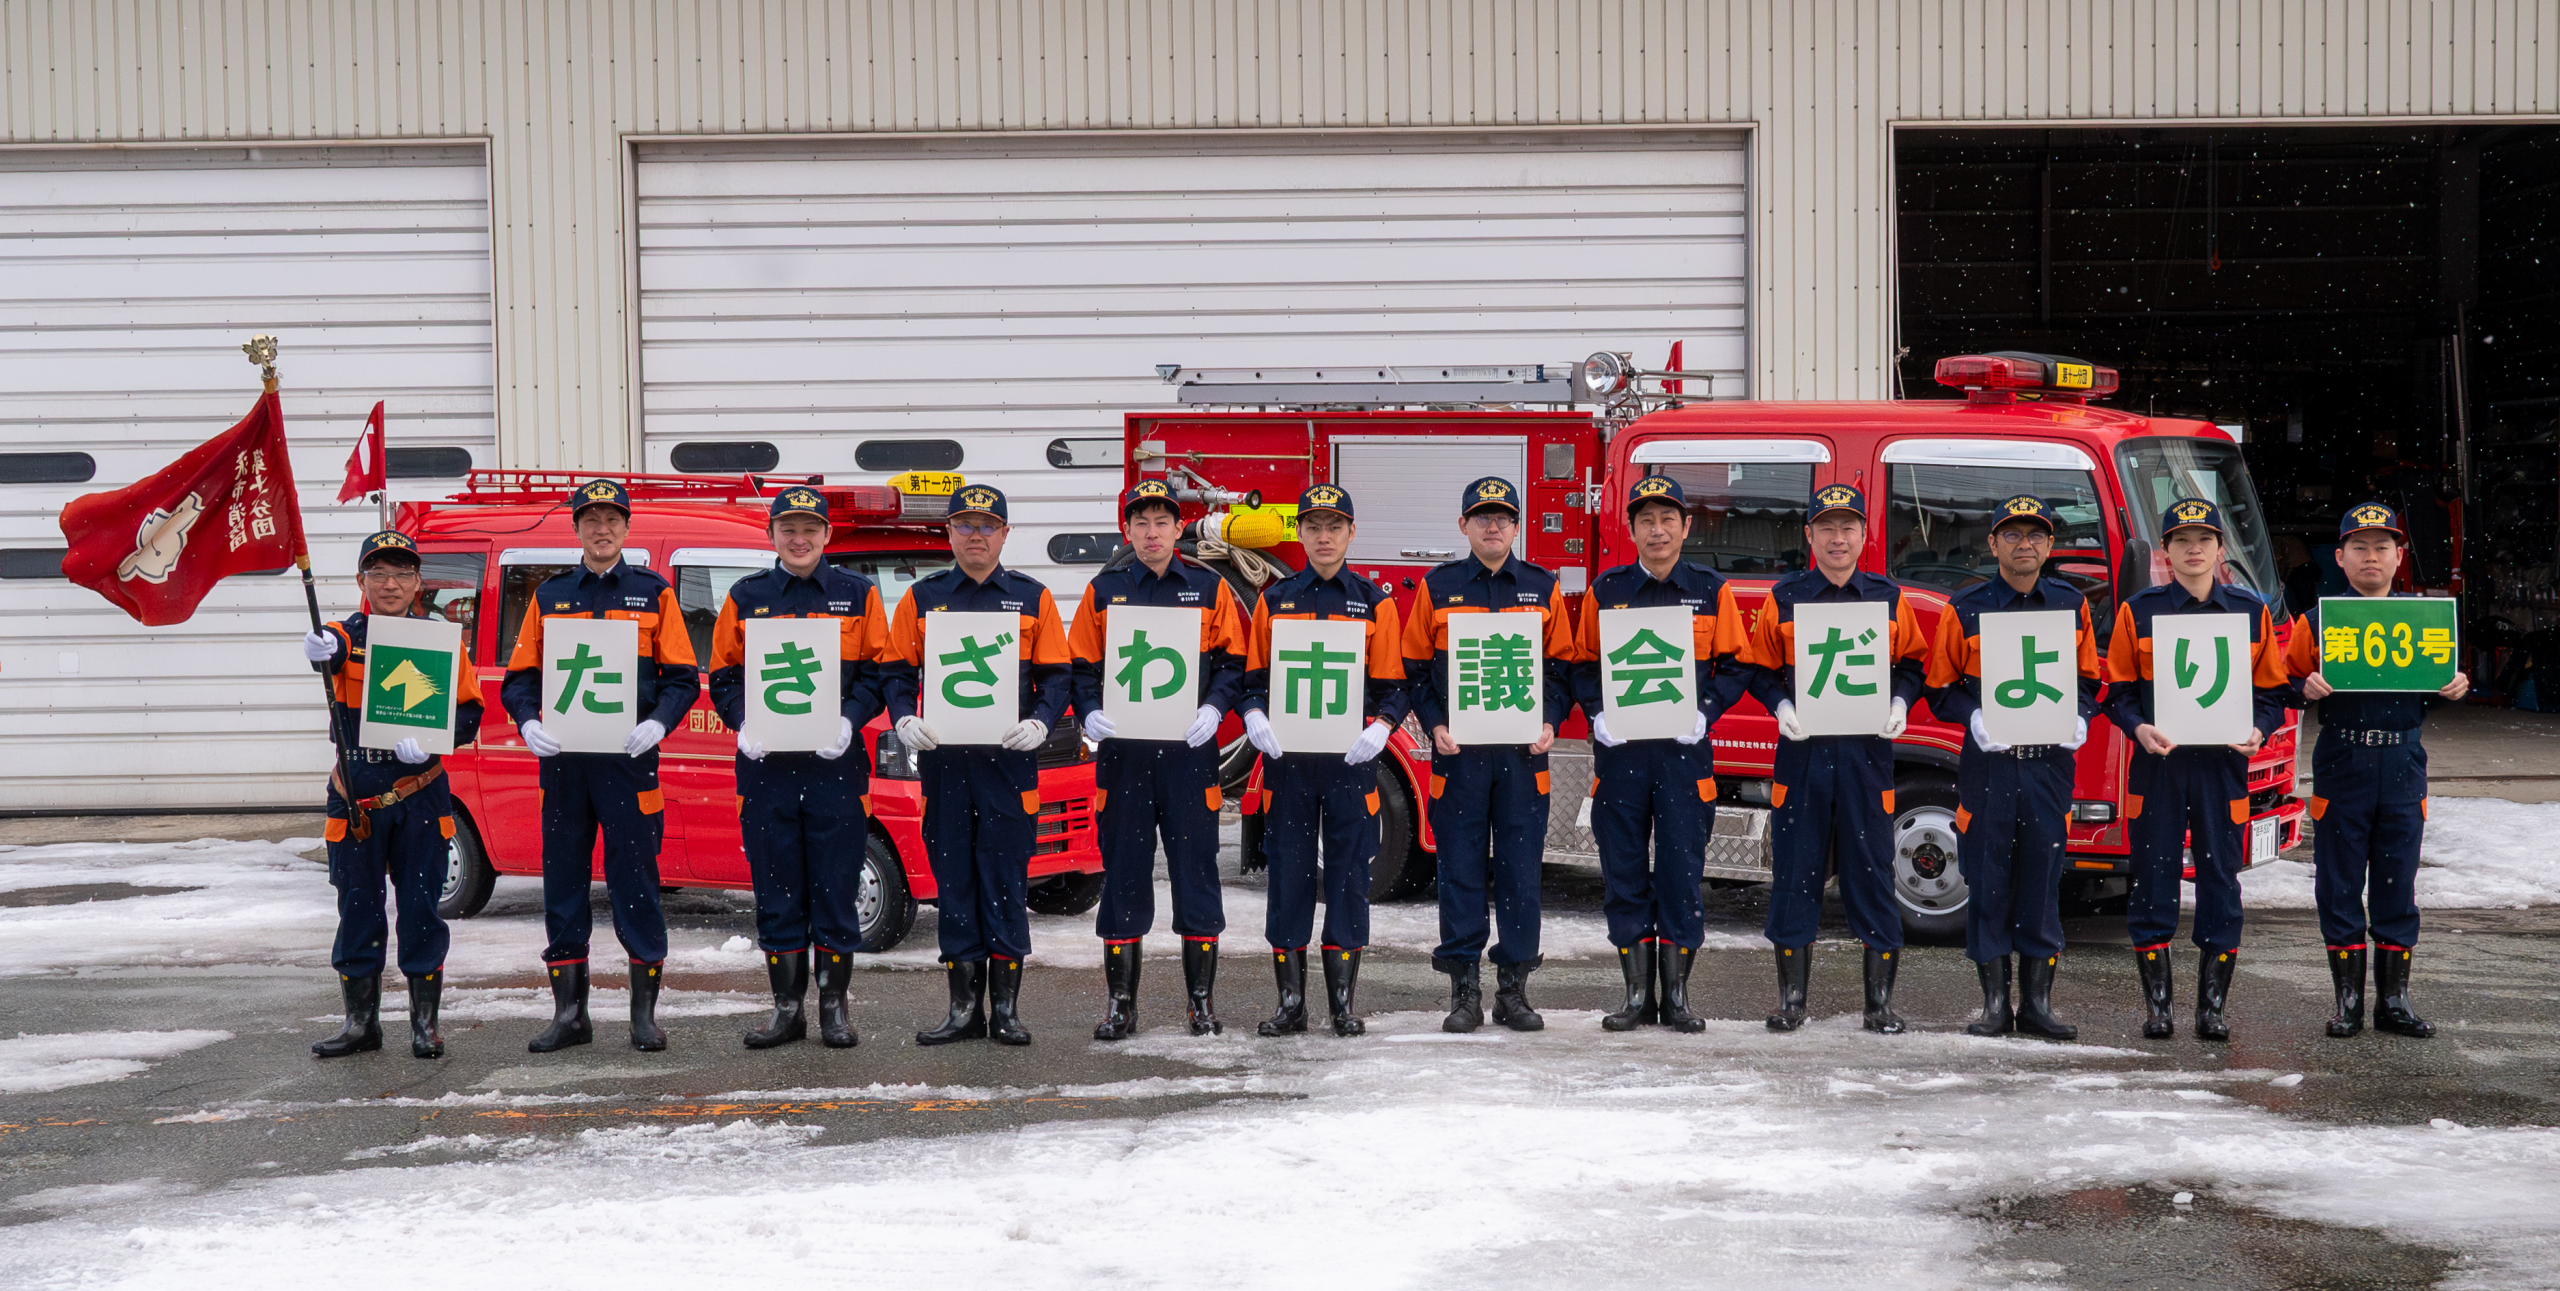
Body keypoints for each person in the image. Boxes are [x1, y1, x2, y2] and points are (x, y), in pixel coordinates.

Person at [502, 479, 700, 1053]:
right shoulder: (550, 595)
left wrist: (659, 722)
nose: (602, 529)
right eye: (591, 519)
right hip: (564, 766)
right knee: (563, 883)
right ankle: (571, 1016)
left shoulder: (653, 593)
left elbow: (682, 678)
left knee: (635, 881)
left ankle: (644, 1016)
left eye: (613, 519)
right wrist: (527, 722)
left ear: (627, 527)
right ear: (576, 528)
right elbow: (520, 679)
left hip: (629, 764)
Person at [880, 484, 1071, 1046]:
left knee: (1005, 881)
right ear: (949, 533)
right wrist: (902, 715)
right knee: (956, 882)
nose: (976, 536)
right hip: (945, 765)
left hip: (1009, 767)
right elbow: (894, 670)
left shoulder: (1033, 598)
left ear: (1005, 534)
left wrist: (1041, 721)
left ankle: (1006, 1010)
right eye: (964, 525)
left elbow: (1058, 675)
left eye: (987, 526)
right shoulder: (922, 598)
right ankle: (964, 1009)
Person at [706, 487, 890, 1050]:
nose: (799, 538)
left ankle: (834, 1009)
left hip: (835, 768)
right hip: (768, 772)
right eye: (788, 528)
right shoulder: (746, 596)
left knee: (835, 888)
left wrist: (850, 720)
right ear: (772, 535)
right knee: (777, 889)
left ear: (828, 534)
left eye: (810, 528)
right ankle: (787, 1010)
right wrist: (742, 722)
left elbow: (879, 672)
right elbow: (723, 676)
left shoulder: (858, 594)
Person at [1742, 483, 1930, 1034]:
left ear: (1865, 535)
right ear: (1809, 535)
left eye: (1848, 527)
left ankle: (1879, 1003)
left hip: (1867, 757)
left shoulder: (1888, 599)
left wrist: (1901, 701)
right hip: (1802, 756)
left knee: (1871, 871)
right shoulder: (1785, 598)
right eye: (1826, 527)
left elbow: (1914, 664)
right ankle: (1791, 1000)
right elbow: (1758, 668)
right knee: (1795, 873)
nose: (1838, 537)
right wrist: (1779, 705)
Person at [2101, 498, 2290, 1042]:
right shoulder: (2139, 612)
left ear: (2220, 548)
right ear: (2165, 550)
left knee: (2221, 883)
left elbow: (2272, 692)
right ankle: (2158, 1008)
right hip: (2158, 767)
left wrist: (2258, 729)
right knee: (2152, 880)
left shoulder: (2250, 612)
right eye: (2181, 540)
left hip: (2221, 769)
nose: (2193, 549)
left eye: (2204, 539)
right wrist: (2138, 727)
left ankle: (2212, 1009)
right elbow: (2116, 692)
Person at [1070, 479, 1250, 1039]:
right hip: (1123, 757)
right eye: (1141, 523)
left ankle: (1201, 1002)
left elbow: (1235, 663)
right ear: (1127, 530)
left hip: (1188, 758)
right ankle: (1121, 1004)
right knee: (1124, 873)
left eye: (1162, 522)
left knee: (1197, 873)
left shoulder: (1209, 587)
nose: (1152, 533)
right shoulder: (1103, 591)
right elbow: (1078, 666)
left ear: (1179, 528)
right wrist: (1089, 711)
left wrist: (1216, 707)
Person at [1566, 475, 1746, 1032]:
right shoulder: (1606, 590)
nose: (1658, 529)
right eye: (1646, 519)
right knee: (1623, 875)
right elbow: (1580, 663)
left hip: (1683, 759)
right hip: (1621, 759)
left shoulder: (1711, 591)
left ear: (1686, 527)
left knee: (1681, 875)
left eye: (1668, 519)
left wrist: (1706, 712)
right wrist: (1597, 714)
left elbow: (1737, 665)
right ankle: (1637, 996)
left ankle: (1679, 997)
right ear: (1631, 529)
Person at [2282, 503, 2469, 1039]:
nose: (2371, 556)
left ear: (2398, 557)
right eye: (2359, 547)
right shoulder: (2316, 621)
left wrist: (2454, 687)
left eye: (2382, 547)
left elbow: (2431, 689)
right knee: (2339, 882)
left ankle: (2393, 1000)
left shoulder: (2425, 620)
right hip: (2343, 759)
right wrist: (2302, 688)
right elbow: (2279, 685)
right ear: (2340, 558)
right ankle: (2348, 1001)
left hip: (2403, 762)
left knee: (2397, 880)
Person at [1400, 476, 1577, 1033]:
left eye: (1503, 516)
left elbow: (1562, 669)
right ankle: (1464, 992)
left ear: (1517, 526)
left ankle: (1513, 991)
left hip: (1524, 758)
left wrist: (1550, 720)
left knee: (1521, 874)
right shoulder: (1438, 588)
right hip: (1460, 758)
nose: (1493, 525)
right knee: (1460, 870)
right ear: (1463, 525)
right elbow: (1413, 670)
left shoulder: (1542, 587)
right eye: (1482, 516)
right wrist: (1435, 724)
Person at [301, 530, 486, 1059]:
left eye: (402, 573)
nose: (390, 584)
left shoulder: (439, 642)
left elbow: (470, 713)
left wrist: (434, 741)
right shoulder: (347, 634)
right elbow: (330, 650)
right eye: (378, 573)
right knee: (358, 907)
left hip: (420, 792)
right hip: (356, 794)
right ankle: (361, 1024)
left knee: (421, 908)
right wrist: (320, 647)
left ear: (418, 582)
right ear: (361, 581)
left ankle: (425, 1025)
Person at [1923, 495, 2102, 1040]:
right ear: (1992, 544)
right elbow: (1939, 689)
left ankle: (2038, 1006)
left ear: (2049, 546)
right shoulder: (1965, 608)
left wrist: (2080, 716)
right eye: (2013, 534)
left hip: (2048, 768)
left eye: (2036, 535)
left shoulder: (2071, 605)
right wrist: (1973, 717)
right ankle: (1995, 1005)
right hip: (1989, 769)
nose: (2025, 544)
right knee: (1988, 881)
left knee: (2042, 882)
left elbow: (2090, 681)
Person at [1237, 484, 1406, 1037]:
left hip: (1349, 764)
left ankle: (1342, 1004)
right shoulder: (1275, 600)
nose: (1324, 536)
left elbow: (1393, 685)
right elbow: (1251, 679)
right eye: (1313, 526)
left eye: (1335, 526)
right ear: (1300, 533)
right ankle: (1291, 1004)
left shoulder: (1374, 602)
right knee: (1288, 877)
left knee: (1349, 877)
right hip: (1288, 764)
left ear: (1351, 533)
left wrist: (1382, 726)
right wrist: (1253, 713)